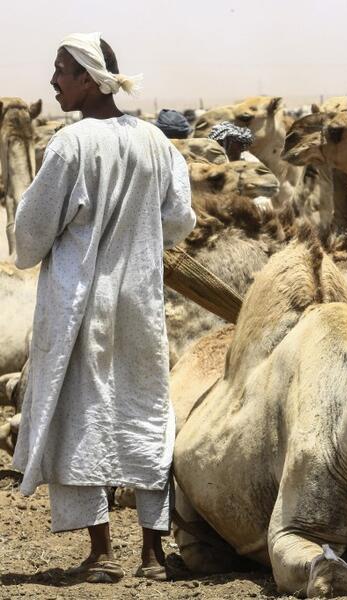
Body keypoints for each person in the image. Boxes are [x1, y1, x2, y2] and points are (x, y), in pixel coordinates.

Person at [12, 32, 195, 583]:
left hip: (80, 307)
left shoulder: (71, 146)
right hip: (140, 303)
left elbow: (28, 237)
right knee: (144, 410)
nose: (53, 82)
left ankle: (101, 551)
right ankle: (153, 553)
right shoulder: (156, 143)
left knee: (86, 414)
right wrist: (135, 235)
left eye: (61, 71)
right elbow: (180, 222)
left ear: (88, 78)